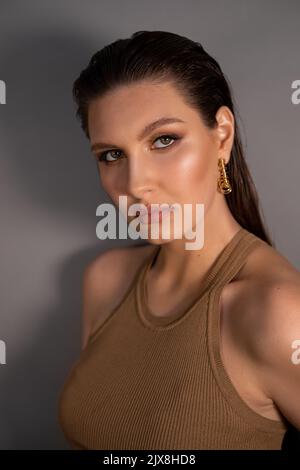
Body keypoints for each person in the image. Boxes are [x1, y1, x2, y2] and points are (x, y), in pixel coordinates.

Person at [58, 30, 300, 450]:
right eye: (111, 155)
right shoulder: (105, 279)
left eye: (163, 140)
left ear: (221, 135)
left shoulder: (278, 314)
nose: (136, 184)